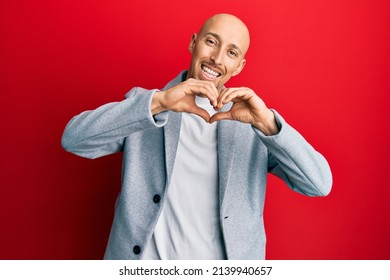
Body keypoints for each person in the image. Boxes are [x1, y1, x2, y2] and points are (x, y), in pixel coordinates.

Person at [61, 13, 332, 260]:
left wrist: (268, 124)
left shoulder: (253, 125)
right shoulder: (147, 104)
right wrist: (159, 103)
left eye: (231, 52)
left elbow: (319, 184)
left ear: (239, 66)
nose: (217, 58)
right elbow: (73, 140)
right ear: (193, 43)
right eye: (211, 41)